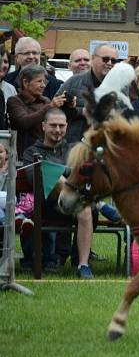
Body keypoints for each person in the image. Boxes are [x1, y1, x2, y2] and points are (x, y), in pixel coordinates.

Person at [20, 109, 95, 278]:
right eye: (53, 125)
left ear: (67, 127)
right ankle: (100, 205)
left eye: (61, 126)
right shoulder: (31, 152)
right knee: (50, 172)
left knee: (86, 210)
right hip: (45, 205)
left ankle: (83, 265)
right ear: (44, 126)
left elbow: (85, 174)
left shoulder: (74, 149)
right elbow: (36, 180)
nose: (58, 129)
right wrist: (63, 172)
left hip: (75, 205)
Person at [58, 43, 119, 143]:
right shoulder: (73, 82)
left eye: (113, 60)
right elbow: (54, 110)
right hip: (73, 145)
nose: (109, 63)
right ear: (93, 59)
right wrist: (82, 111)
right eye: (105, 59)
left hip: (106, 144)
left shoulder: (121, 86)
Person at [7, 64, 70, 155]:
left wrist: (69, 107)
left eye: (44, 81)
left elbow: (59, 122)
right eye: (39, 81)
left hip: (47, 153)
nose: (43, 85)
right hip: (25, 154)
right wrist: (50, 106)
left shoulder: (45, 100)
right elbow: (24, 122)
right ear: (25, 83)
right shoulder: (14, 101)